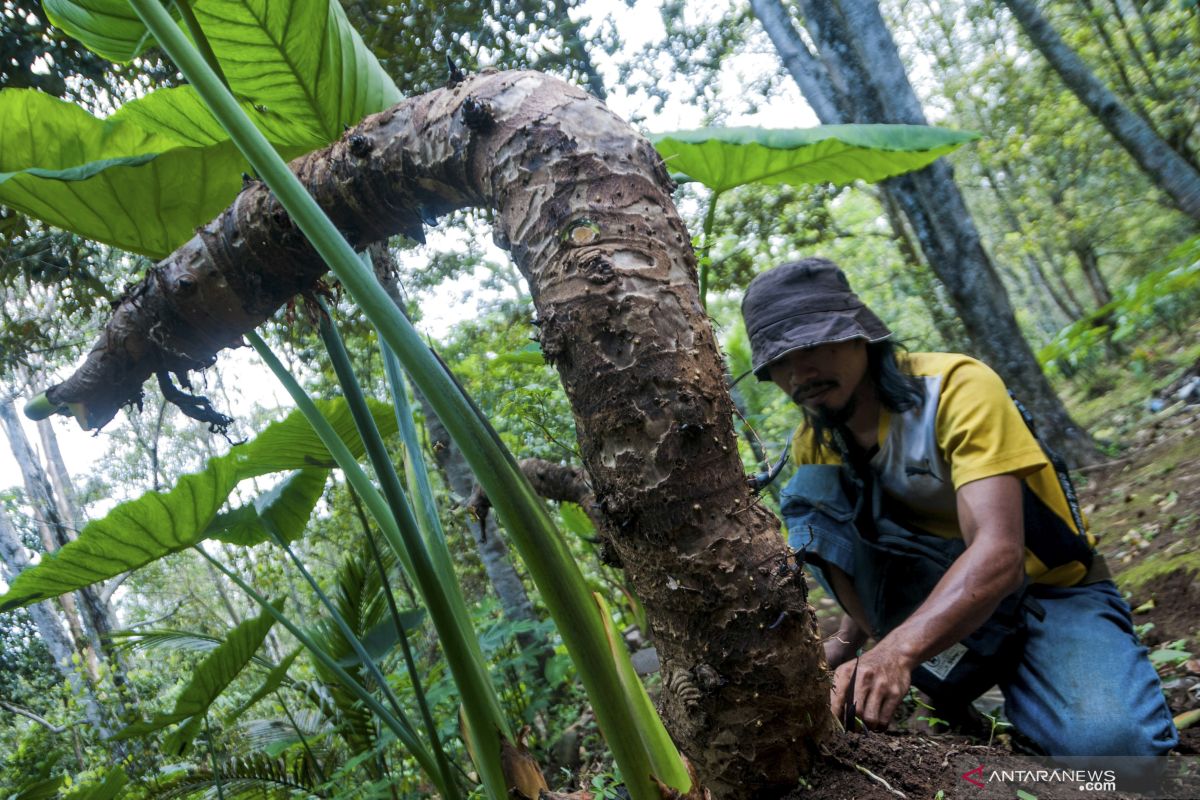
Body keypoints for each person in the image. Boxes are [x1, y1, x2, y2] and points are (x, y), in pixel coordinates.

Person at [741, 257, 1177, 759]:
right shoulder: (814, 443)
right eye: (780, 360)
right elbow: (858, 547)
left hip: (1048, 594)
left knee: (1117, 750)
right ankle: (957, 683)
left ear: (859, 333)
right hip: (935, 606)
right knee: (809, 492)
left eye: (814, 345)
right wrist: (848, 642)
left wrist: (896, 652)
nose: (800, 372)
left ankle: (1011, 686)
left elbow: (999, 552)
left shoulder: (955, 387)